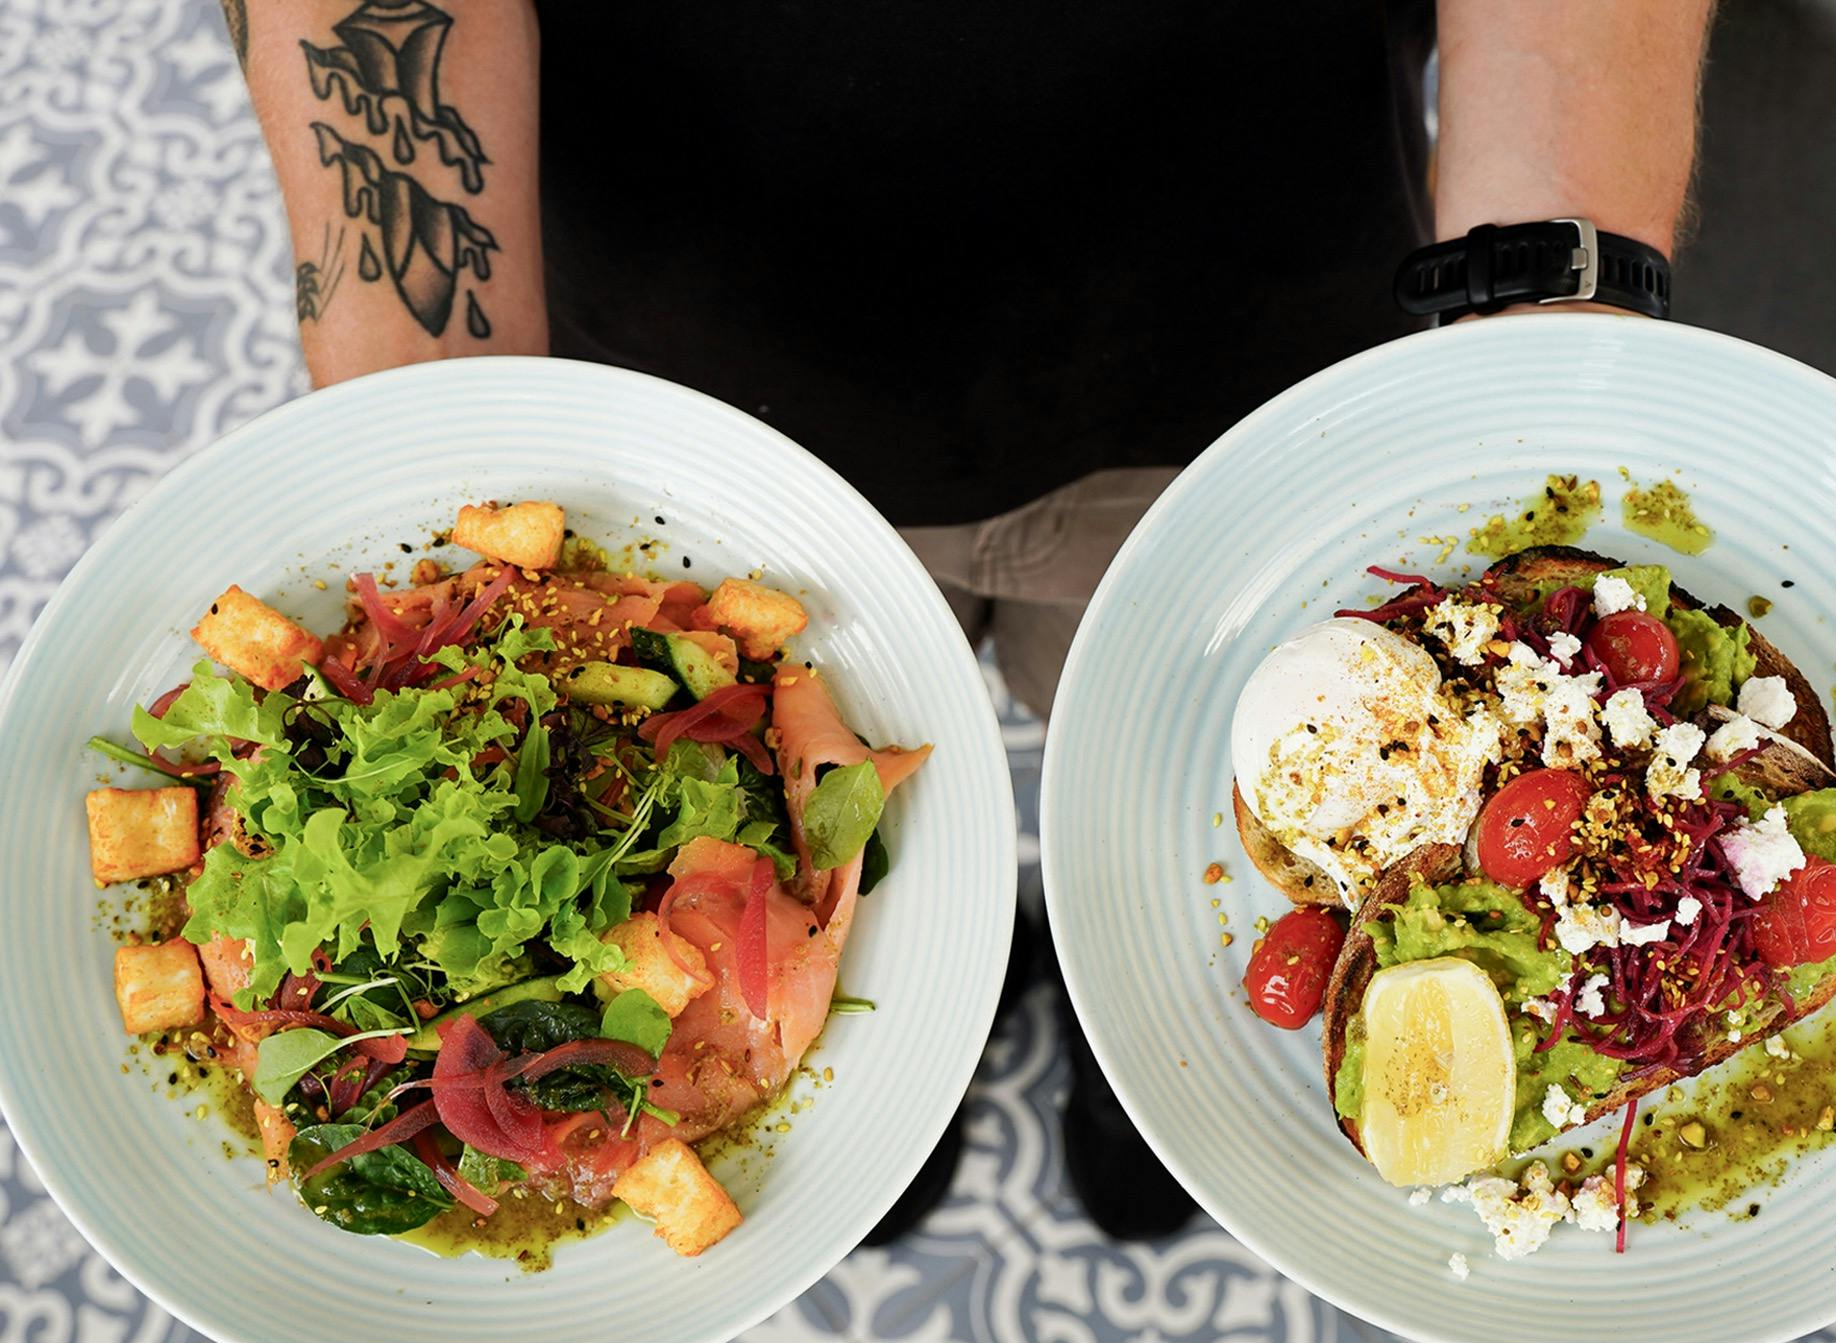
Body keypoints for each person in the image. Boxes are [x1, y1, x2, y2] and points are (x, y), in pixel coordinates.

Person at [225, 0, 1712, 1240]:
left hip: (1237, 344)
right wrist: (433, 467)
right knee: (855, 830)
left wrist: (1543, 339)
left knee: (1171, 784)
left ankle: (1084, 977)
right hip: (680, 416)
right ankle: (937, 1022)